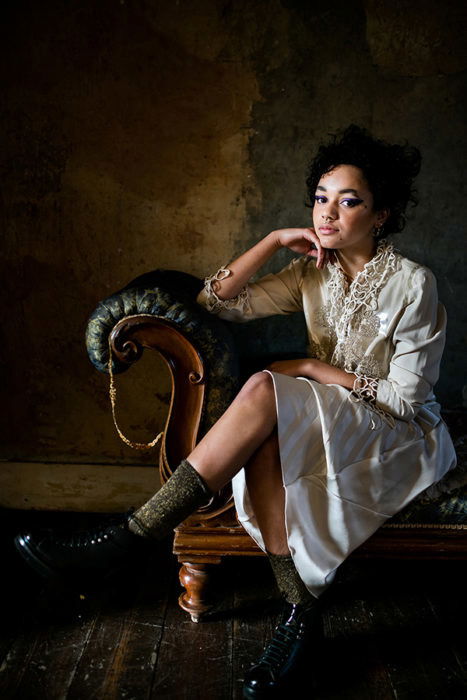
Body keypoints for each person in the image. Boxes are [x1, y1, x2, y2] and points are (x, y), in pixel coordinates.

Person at [15, 125, 457, 698]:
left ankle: (125, 541)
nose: (328, 213)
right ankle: (300, 613)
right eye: (320, 198)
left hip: (399, 433)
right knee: (268, 424)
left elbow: (407, 400)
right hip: (331, 415)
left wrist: (312, 368)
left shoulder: (413, 283)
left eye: (349, 201)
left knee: (269, 385)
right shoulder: (308, 271)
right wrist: (274, 240)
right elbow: (213, 302)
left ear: (381, 215)